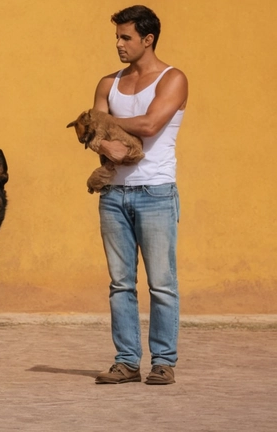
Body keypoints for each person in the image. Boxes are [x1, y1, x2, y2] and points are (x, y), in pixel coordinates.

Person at [90, 5, 188, 385]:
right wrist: (100, 143)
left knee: (162, 283)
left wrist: (103, 127)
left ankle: (163, 361)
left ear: (148, 40)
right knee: (120, 283)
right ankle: (127, 361)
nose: (118, 44)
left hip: (156, 193)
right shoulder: (107, 83)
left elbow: (149, 124)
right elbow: (88, 133)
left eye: (125, 37)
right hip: (113, 194)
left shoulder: (172, 79)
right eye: (117, 36)